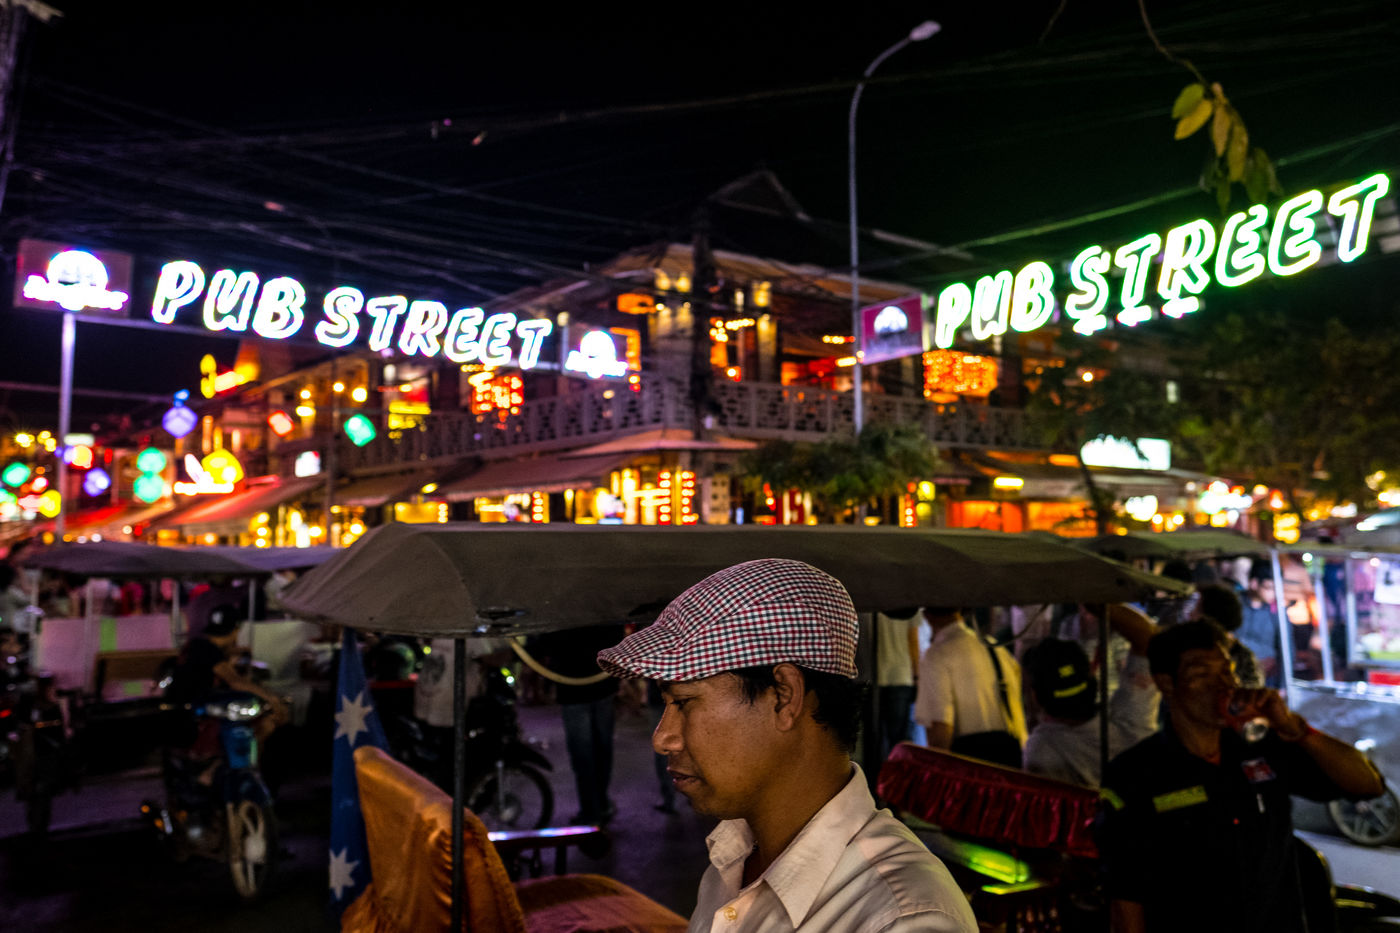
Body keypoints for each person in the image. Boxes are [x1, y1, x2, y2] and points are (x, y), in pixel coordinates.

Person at [598, 559, 977, 932]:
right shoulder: (731, 860)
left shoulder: (904, 919)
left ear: (785, 696)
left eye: (683, 702)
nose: (663, 738)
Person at [1097, 620, 1384, 933]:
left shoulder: (1263, 748)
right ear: (1166, 683)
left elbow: (1367, 785)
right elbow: (1126, 900)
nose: (1221, 684)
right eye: (1201, 674)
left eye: (1227, 671)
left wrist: (1295, 729)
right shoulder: (1135, 774)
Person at [1022, 603, 1159, 787]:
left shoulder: (1041, 749)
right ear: (1093, 678)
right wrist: (1095, 600)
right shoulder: (1129, 725)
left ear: (1036, 697)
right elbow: (1147, 637)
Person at [165, 606, 289, 756]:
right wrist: (272, 699)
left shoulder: (198, 645)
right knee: (264, 724)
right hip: (192, 718)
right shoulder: (208, 650)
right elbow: (235, 682)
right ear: (236, 631)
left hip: (183, 713)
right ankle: (233, 762)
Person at [914, 606, 1027, 767]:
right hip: (1011, 764)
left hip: (971, 768)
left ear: (926, 614)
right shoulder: (996, 648)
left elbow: (940, 733)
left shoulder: (936, 656)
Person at [535, 624, 623, 824]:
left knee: (585, 755)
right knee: (600, 751)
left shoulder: (564, 616)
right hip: (597, 686)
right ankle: (599, 806)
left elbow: (547, 642)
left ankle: (592, 810)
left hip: (576, 689)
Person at [874, 606, 921, 763]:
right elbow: (913, 640)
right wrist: (917, 675)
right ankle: (897, 774)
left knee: (873, 738)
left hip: (871, 674)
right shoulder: (908, 602)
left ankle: (875, 775)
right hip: (901, 674)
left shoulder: (867, 599)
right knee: (899, 740)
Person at [1238, 565, 1283, 687]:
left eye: (1277, 588)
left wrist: (1283, 685)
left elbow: (1286, 648)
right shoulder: (1235, 605)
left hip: (1267, 677)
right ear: (1254, 583)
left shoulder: (1277, 612)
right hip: (1237, 675)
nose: (1274, 593)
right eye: (1269, 588)